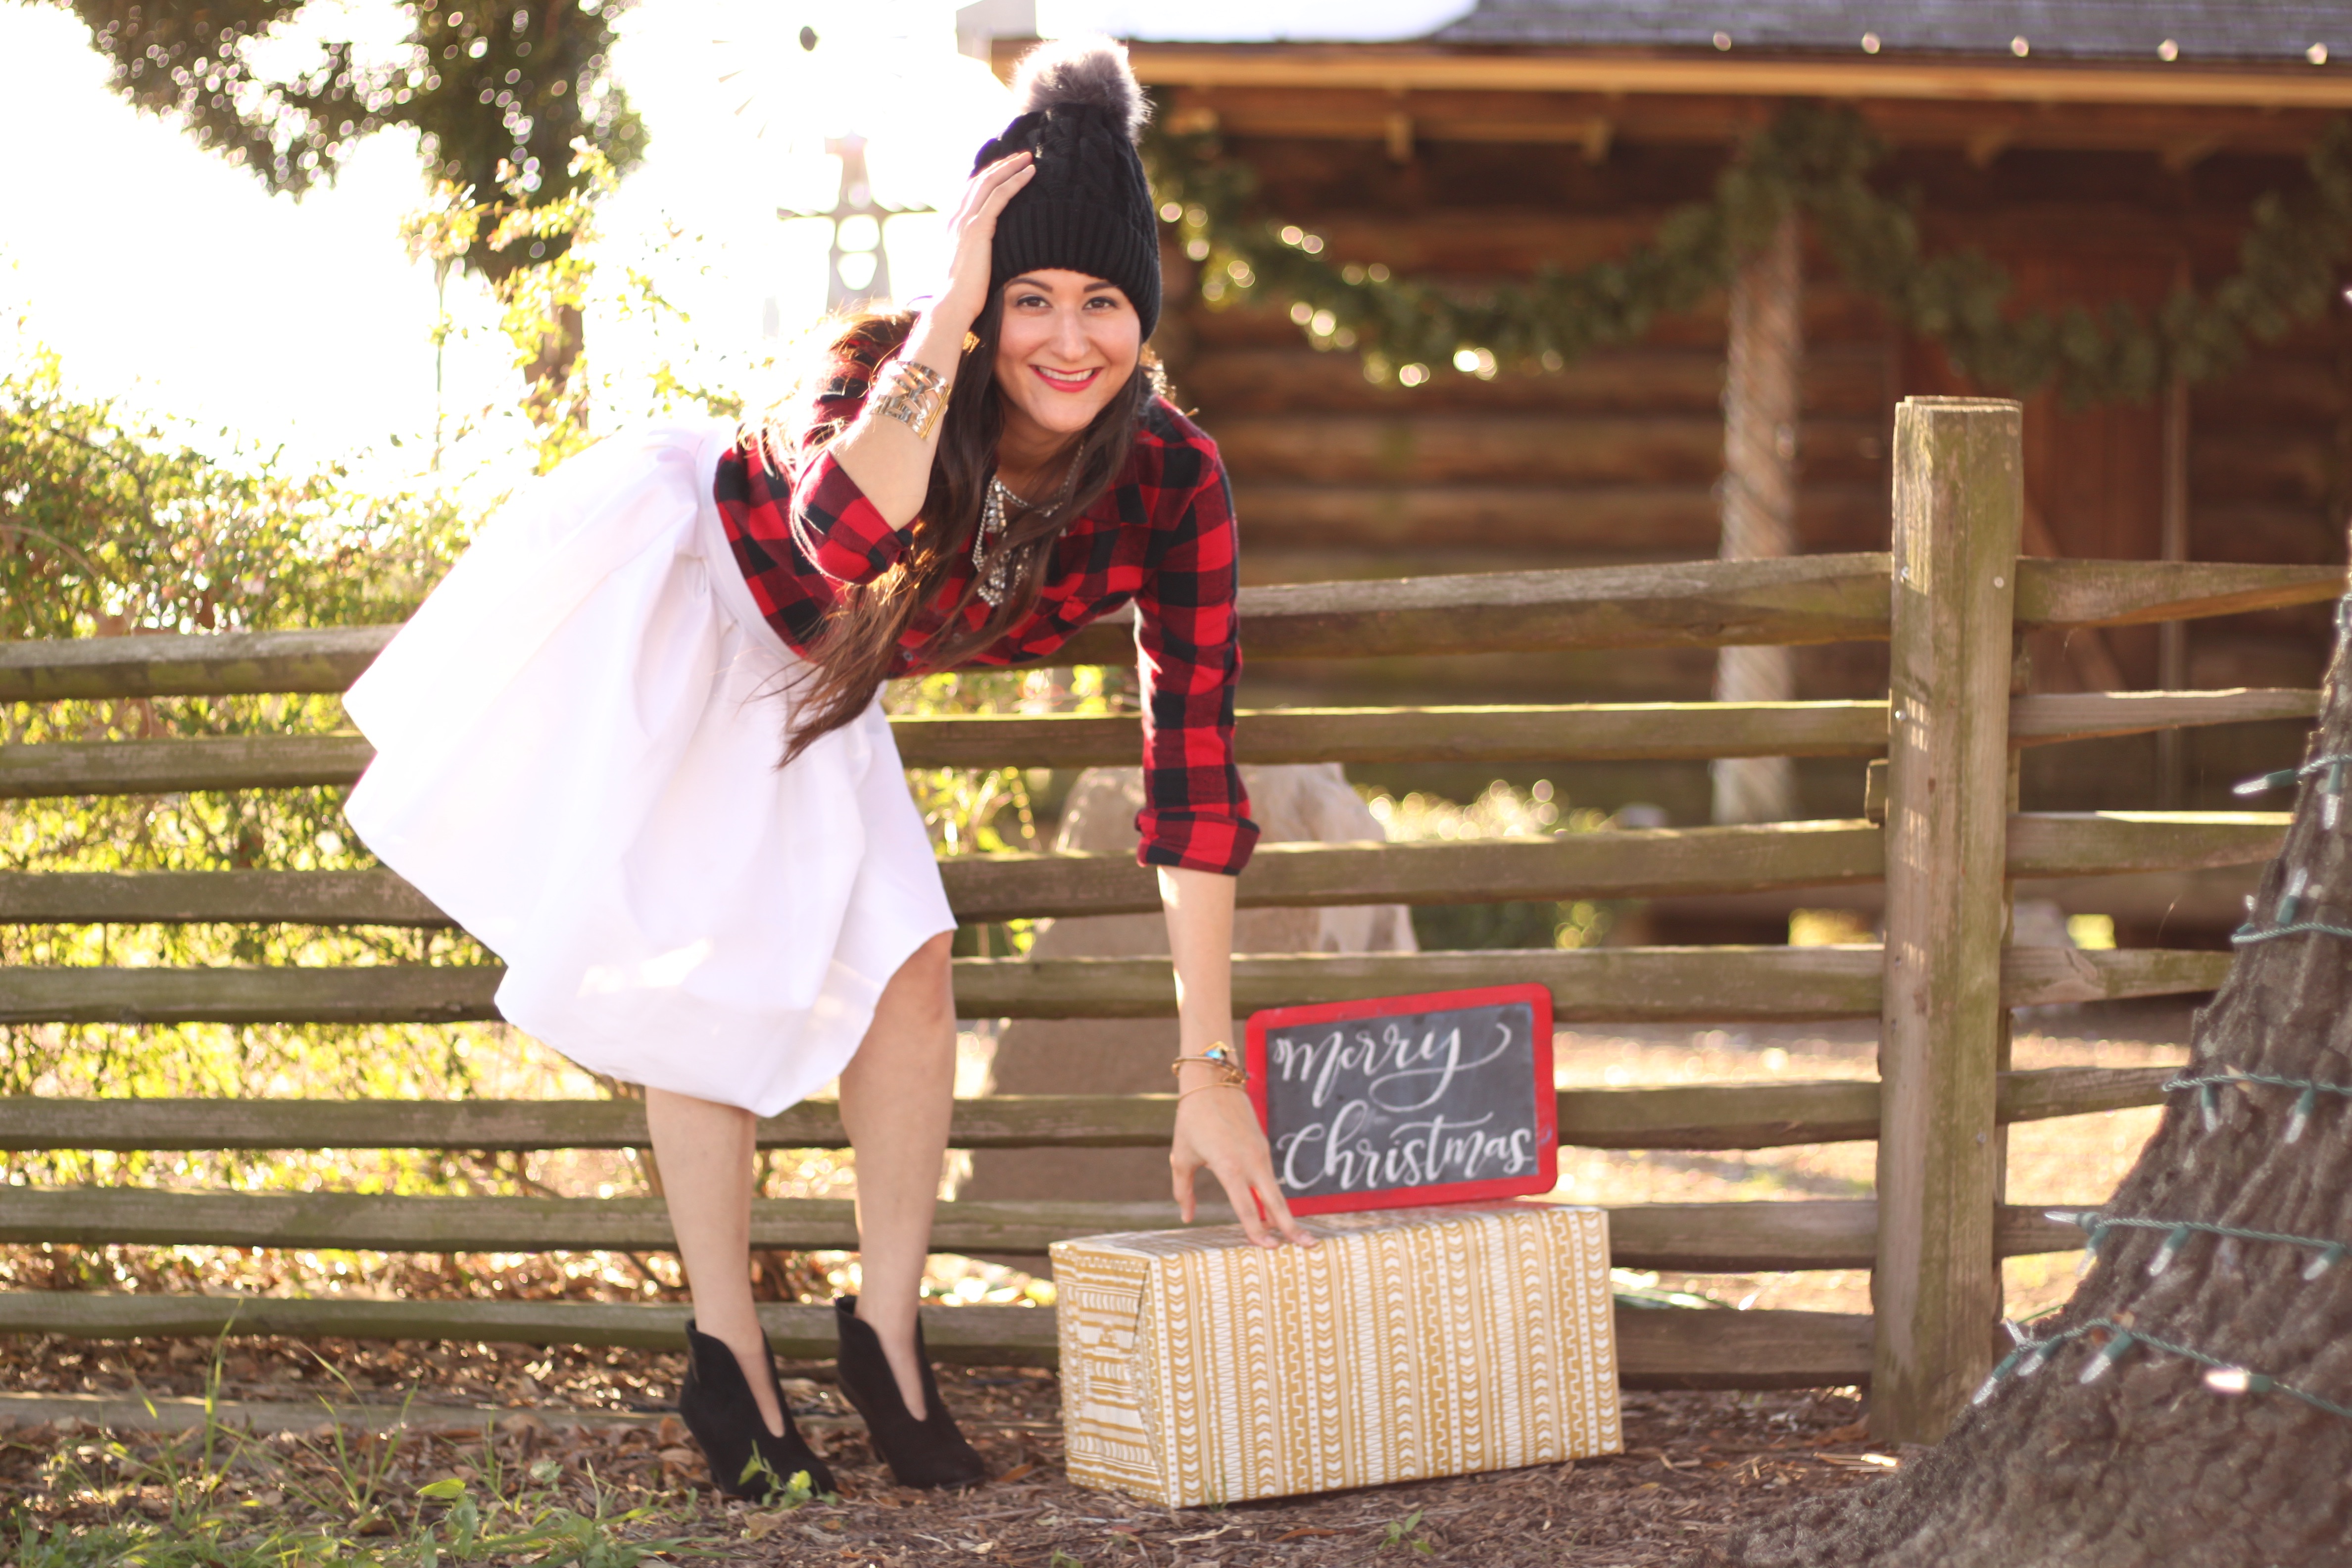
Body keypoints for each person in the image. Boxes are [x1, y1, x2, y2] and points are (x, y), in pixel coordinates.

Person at [341, 35, 1312, 1500]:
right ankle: (729, 1357)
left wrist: (1206, 1067)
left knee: (912, 968)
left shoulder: (1174, 478)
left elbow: (1192, 769)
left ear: (1145, 316)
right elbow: (841, 547)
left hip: (824, 676)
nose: (1065, 338)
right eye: (1027, 297)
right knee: (708, 979)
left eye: (1101, 301)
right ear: (978, 303)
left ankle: (886, 1332)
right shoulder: (878, 374)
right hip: (705, 604)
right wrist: (945, 318)